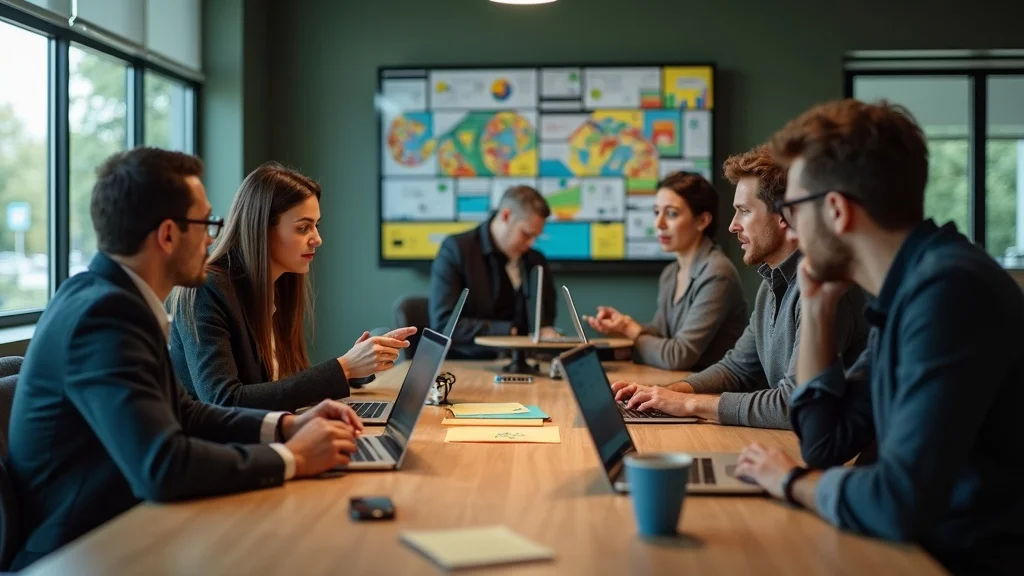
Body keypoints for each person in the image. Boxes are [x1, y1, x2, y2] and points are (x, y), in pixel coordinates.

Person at [5, 148, 363, 570]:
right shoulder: (103, 317)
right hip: (83, 550)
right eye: (207, 223)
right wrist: (295, 458)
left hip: (123, 527)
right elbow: (163, 467)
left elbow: (187, 413)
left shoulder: (111, 300)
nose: (214, 237)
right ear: (168, 235)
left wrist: (287, 425)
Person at [733, 99, 1024, 574]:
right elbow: (825, 444)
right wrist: (818, 310)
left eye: (792, 208)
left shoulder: (950, 292)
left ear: (835, 211)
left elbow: (898, 499)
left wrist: (790, 482)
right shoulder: (909, 287)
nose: (789, 224)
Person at [611, 145, 868, 429]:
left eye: (744, 211)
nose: (733, 226)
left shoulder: (826, 290)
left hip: (844, 462)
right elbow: (736, 369)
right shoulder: (770, 284)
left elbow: (793, 403)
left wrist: (688, 403)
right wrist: (667, 393)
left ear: (785, 215)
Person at [168, 162, 415, 411]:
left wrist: (355, 368)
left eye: (316, 225)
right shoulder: (205, 289)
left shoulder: (279, 285)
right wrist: (343, 367)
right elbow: (225, 400)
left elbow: (277, 385)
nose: (317, 239)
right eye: (303, 228)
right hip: (224, 446)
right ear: (262, 228)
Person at [584, 171, 747, 371]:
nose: (658, 224)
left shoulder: (717, 273)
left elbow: (678, 356)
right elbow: (661, 334)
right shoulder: (671, 273)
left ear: (702, 221)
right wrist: (623, 325)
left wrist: (630, 330)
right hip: (685, 386)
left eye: (671, 214)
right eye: (656, 212)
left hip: (717, 395)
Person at [429, 185, 557, 359]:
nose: (531, 243)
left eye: (536, 237)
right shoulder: (457, 250)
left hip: (526, 363)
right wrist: (508, 331)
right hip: (469, 364)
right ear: (506, 216)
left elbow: (545, 318)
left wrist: (545, 331)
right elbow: (444, 324)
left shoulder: (535, 260)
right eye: (526, 234)